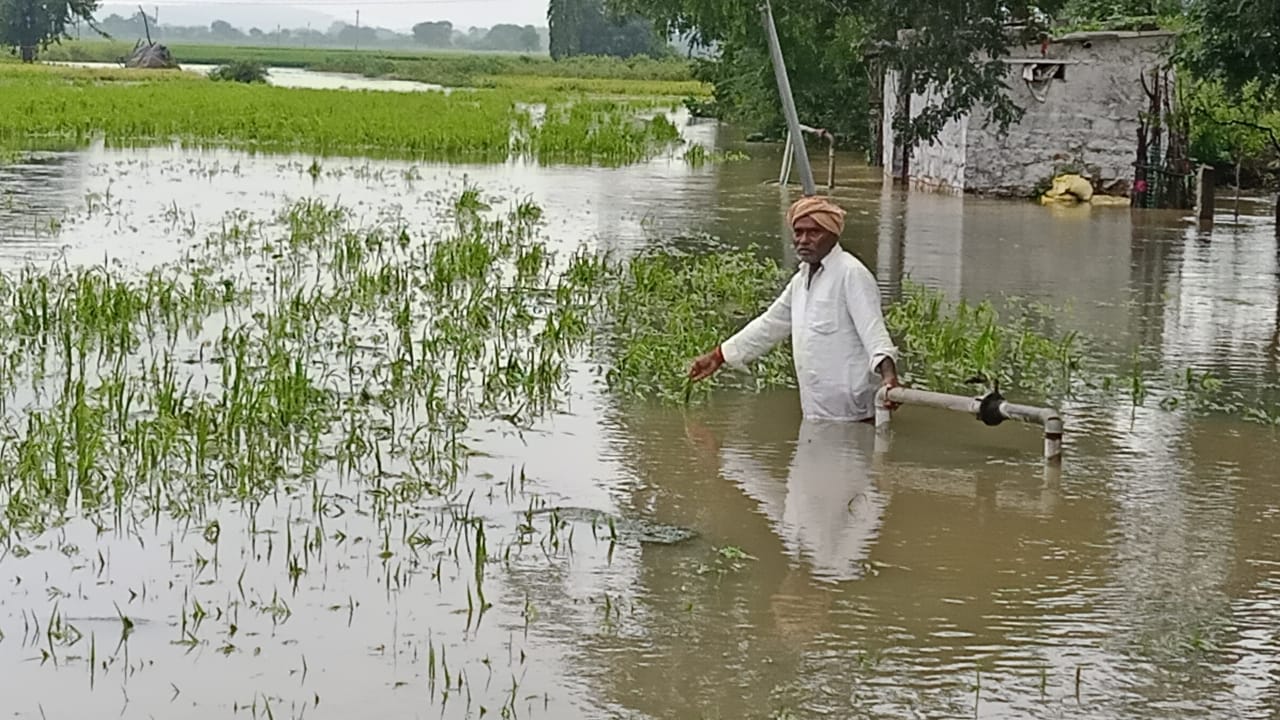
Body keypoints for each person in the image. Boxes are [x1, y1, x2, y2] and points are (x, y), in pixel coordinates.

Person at [687, 195, 901, 422]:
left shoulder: (851, 273)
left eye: (813, 233)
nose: (804, 240)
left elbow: (874, 332)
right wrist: (719, 356)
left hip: (854, 415)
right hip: (815, 410)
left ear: (833, 235)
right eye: (798, 232)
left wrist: (889, 378)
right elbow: (770, 325)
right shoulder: (801, 280)